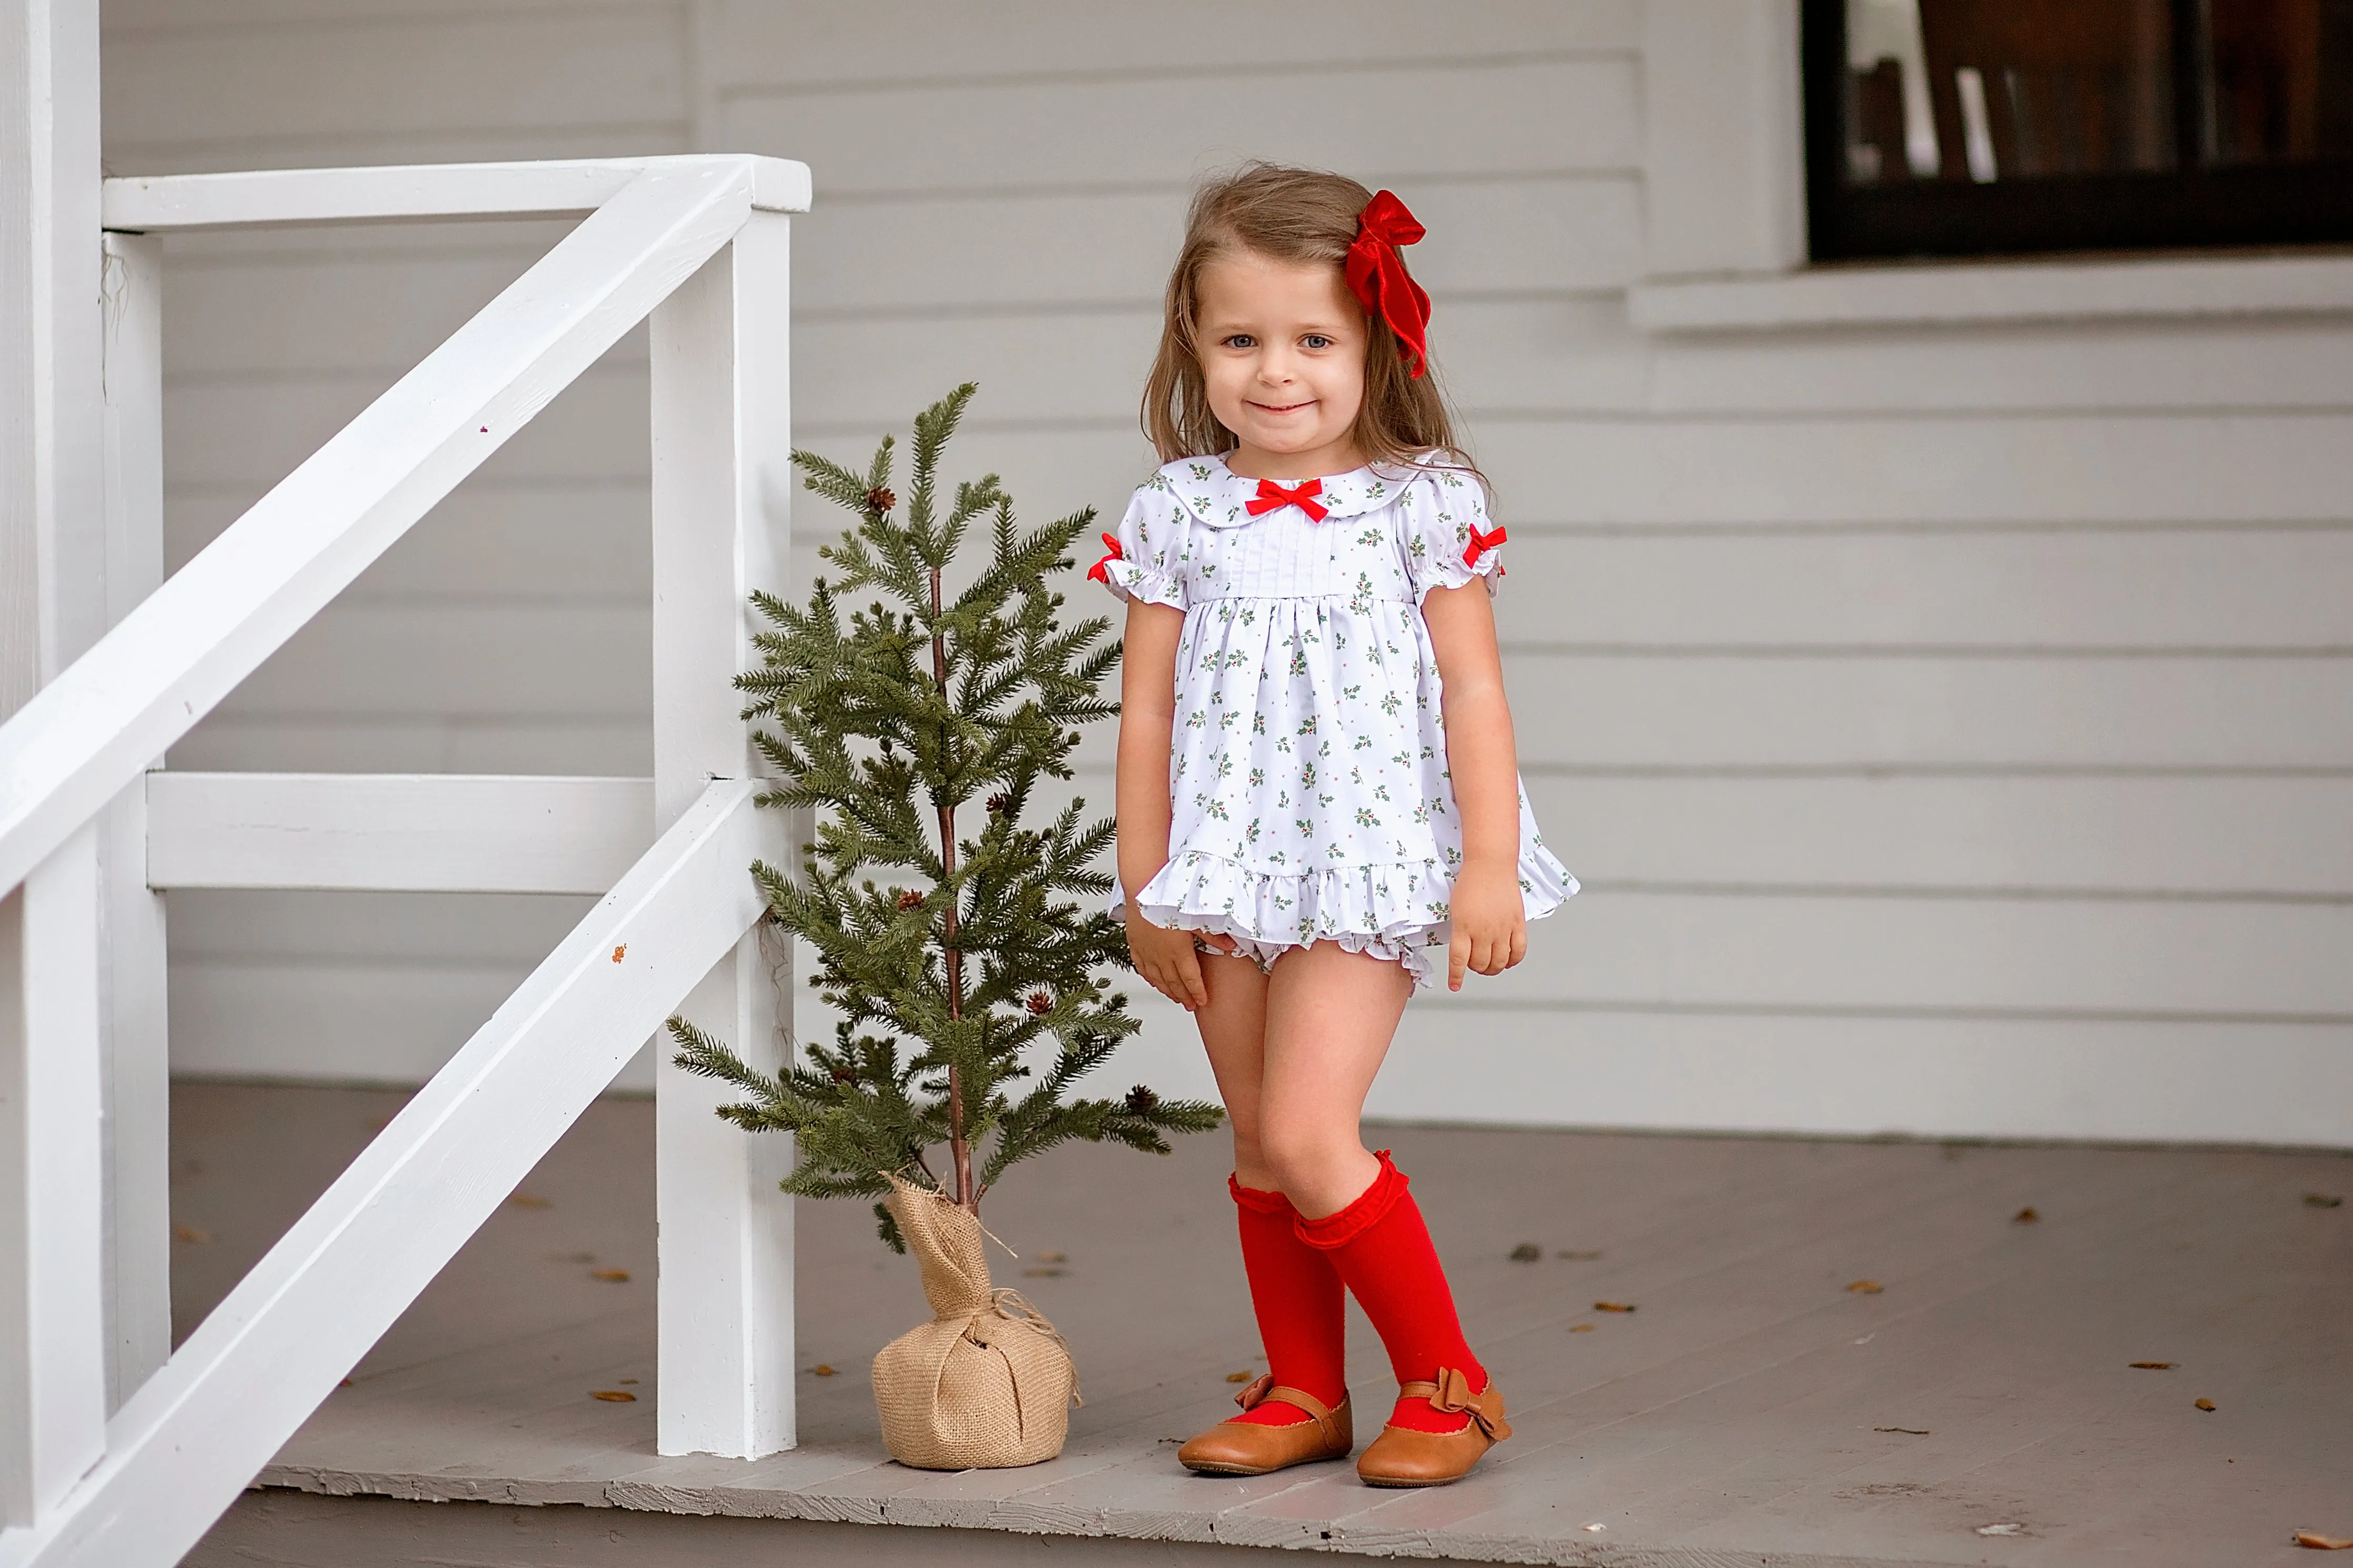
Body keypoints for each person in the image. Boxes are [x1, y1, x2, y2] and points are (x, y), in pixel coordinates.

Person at [1094, 163, 1576, 1490]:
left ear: (1374, 341)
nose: (1276, 371)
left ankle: (1447, 1381)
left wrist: (1488, 863)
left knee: (1313, 1131)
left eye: (1314, 339)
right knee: (1255, 1143)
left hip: (1364, 855)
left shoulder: (1423, 499)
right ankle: (1304, 1385)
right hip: (1228, 860)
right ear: (1193, 341)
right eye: (1240, 339)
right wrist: (1146, 882)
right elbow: (1142, 714)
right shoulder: (1179, 510)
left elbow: (1474, 688)